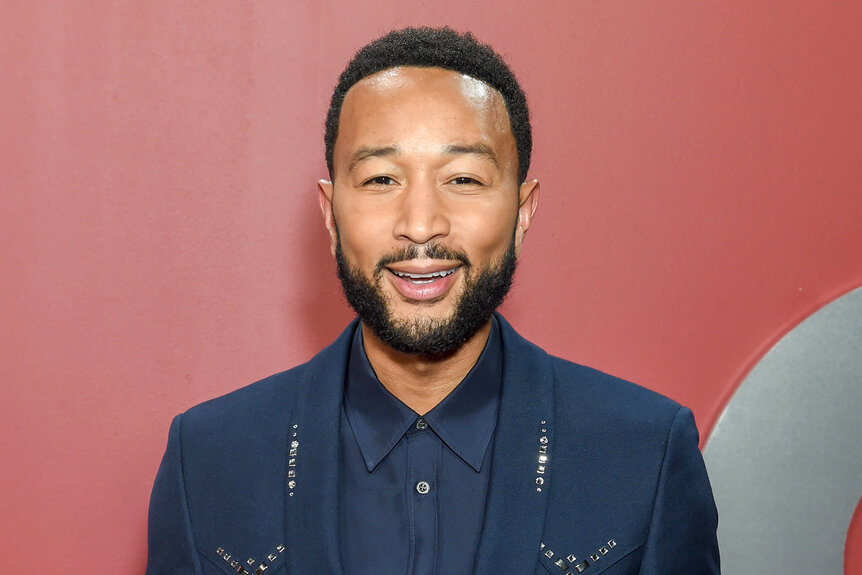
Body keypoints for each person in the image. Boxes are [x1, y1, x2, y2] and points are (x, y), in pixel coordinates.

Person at [146, 27, 719, 575]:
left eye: (464, 179)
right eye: (380, 180)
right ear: (330, 212)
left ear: (523, 211)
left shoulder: (645, 454)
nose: (420, 226)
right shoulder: (207, 461)